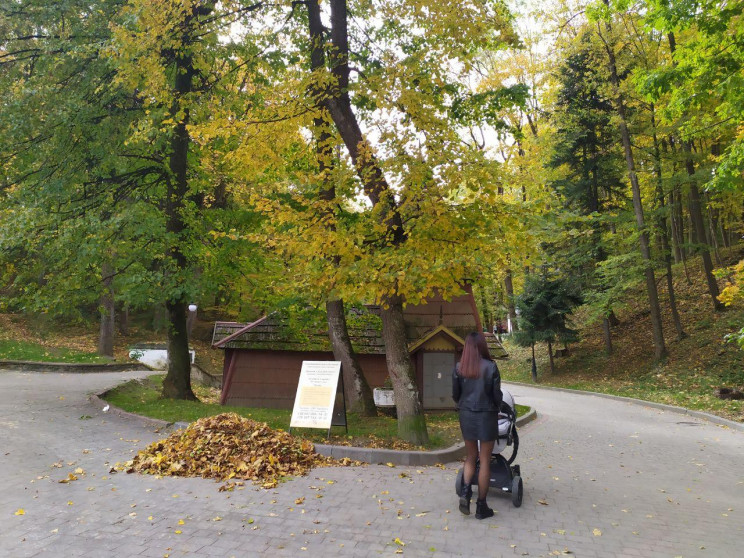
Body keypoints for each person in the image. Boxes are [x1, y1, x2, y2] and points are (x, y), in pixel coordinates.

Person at [452, 331, 503, 519]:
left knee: (470, 457)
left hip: (466, 415)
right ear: (482, 346)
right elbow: (496, 395)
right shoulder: (491, 367)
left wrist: (463, 405)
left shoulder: (459, 368)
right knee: (485, 459)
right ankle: (482, 506)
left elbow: (455, 394)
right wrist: (497, 407)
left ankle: (465, 493)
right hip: (487, 415)